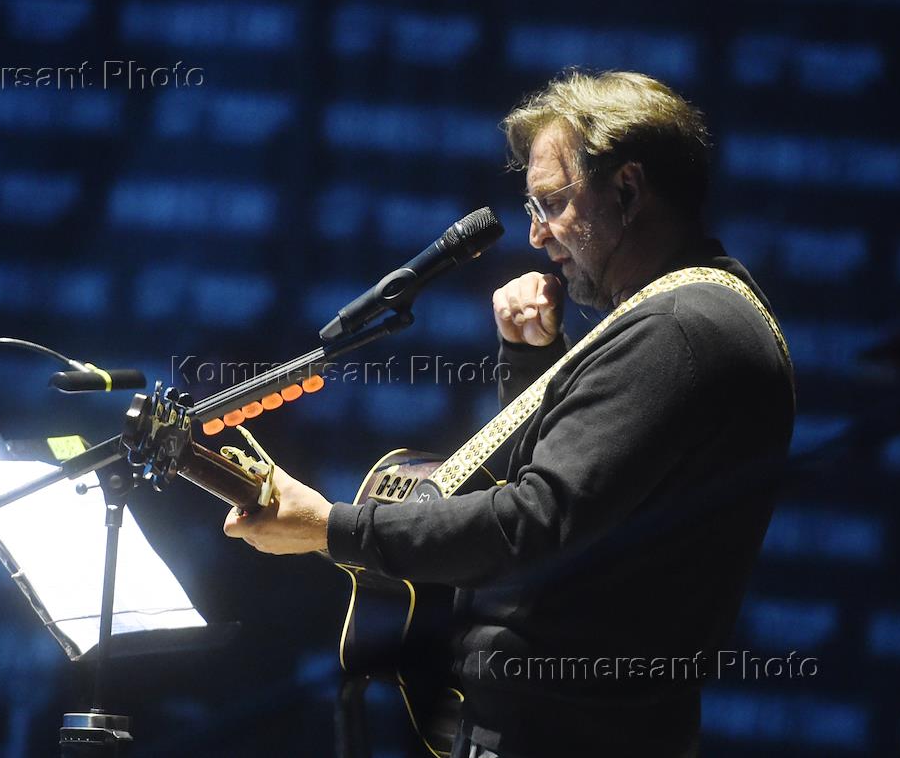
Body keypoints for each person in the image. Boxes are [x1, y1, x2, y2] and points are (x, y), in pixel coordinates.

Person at [223, 70, 795, 757]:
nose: (536, 235)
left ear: (627, 188)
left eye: (552, 203)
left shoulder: (679, 328)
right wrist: (532, 362)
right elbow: (578, 509)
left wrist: (331, 527)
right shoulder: (693, 313)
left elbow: (534, 521)